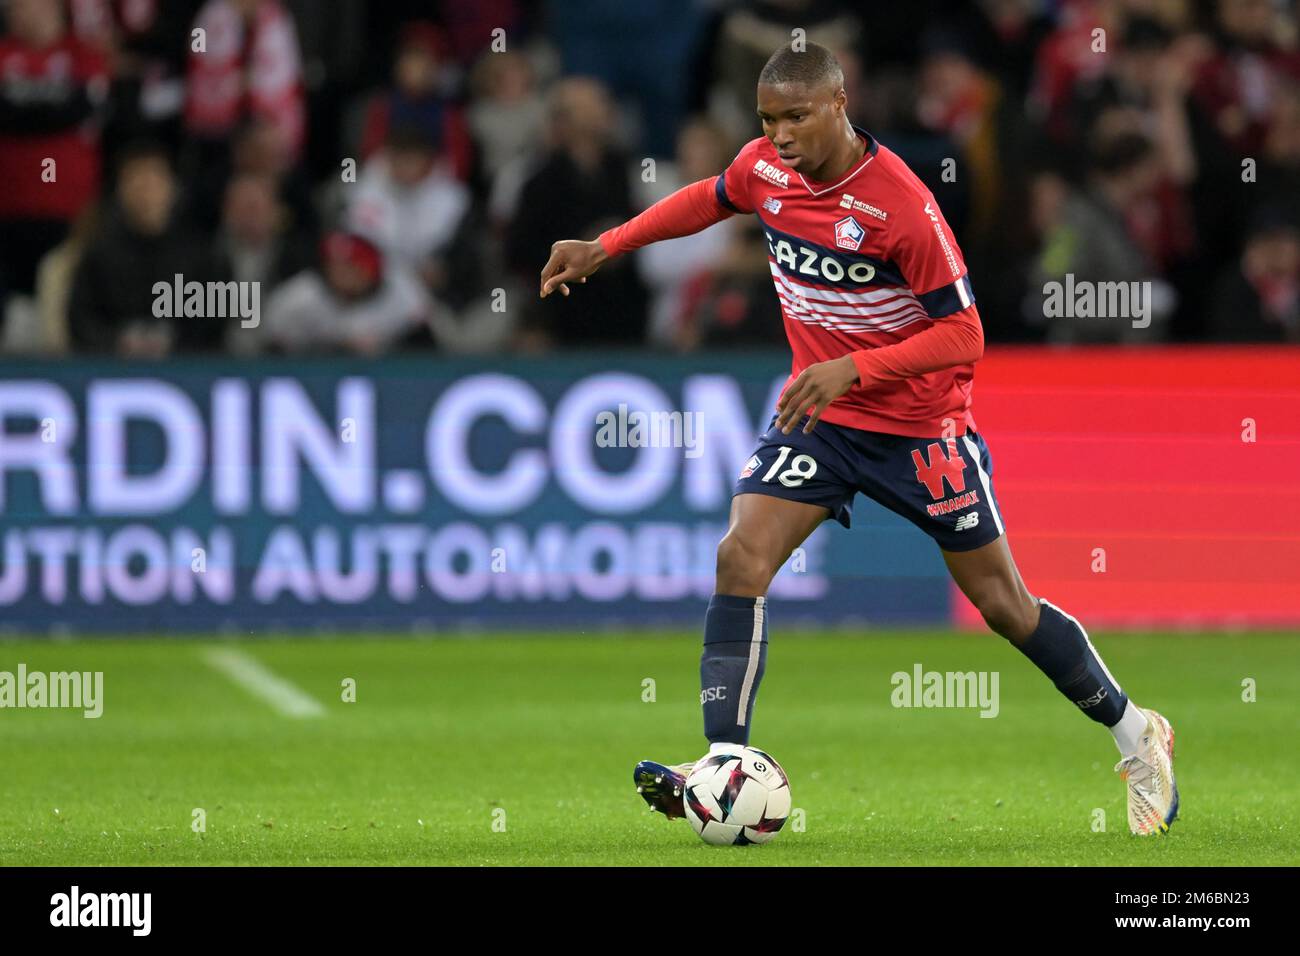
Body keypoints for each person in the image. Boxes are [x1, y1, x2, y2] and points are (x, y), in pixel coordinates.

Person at [539, 42, 1179, 838]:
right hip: (824, 420)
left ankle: (1134, 732)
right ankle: (723, 764)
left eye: (797, 117)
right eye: (769, 120)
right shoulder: (766, 170)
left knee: (1004, 607)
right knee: (741, 557)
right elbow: (710, 196)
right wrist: (608, 245)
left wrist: (856, 368)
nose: (780, 136)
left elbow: (966, 334)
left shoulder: (900, 205)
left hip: (919, 428)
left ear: (840, 105)